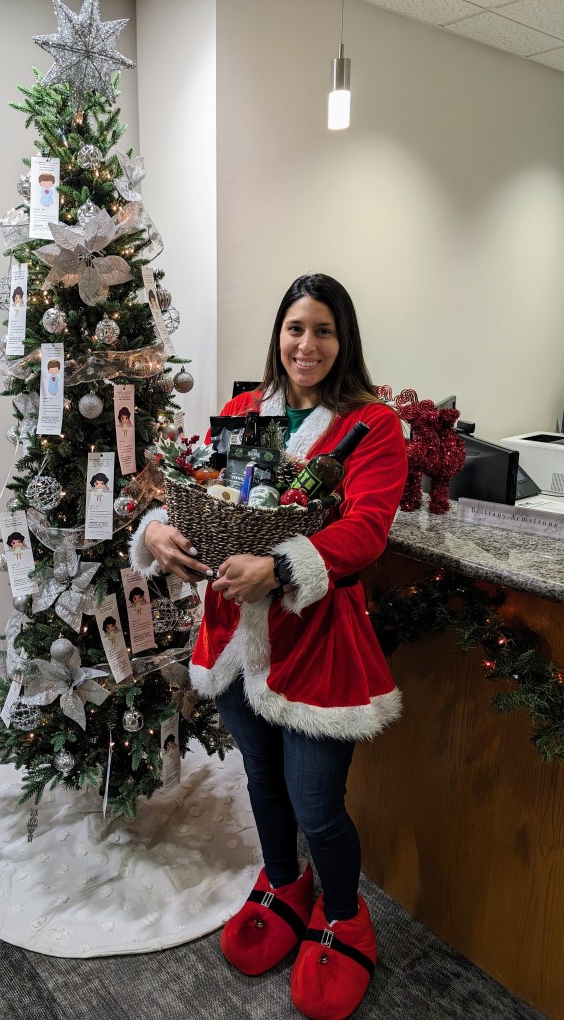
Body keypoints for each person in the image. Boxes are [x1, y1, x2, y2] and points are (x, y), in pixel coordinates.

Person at [130, 273, 407, 1020]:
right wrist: (155, 534)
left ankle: (345, 914)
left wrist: (282, 566)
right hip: (234, 642)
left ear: (342, 339)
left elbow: (367, 527)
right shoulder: (242, 411)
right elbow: (191, 489)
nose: (305, 344)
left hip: (319, 647)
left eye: (322, 330)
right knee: (262, 779)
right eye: (294, 328)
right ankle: (285, 883)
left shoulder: (372, 424)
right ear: (277, 335)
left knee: (318, 802)